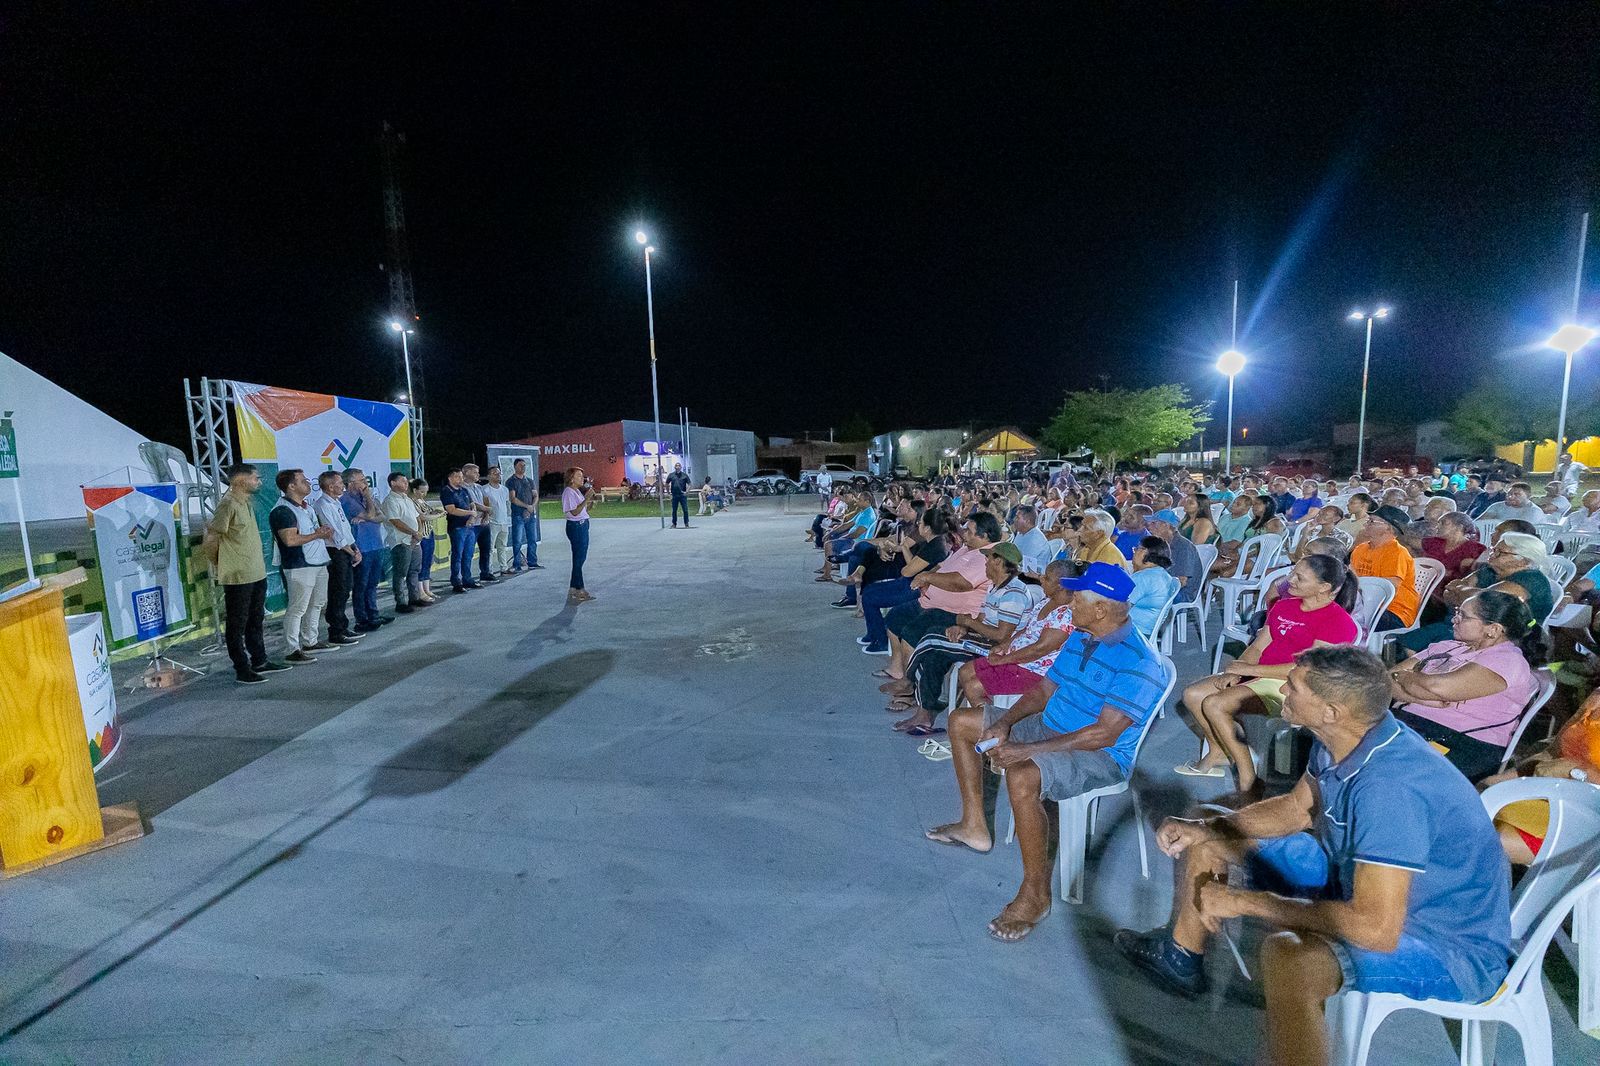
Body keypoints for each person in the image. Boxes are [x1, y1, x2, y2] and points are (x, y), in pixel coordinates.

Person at [1117, 647, 1511, 1066]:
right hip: (1352, 875)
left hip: (1446, 942)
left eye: (1294, 686)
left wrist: (1246, 902)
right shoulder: (1348, 737)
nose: (1283, 688)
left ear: (1331, 711)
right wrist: (1208, 829)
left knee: (1292, 958)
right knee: (1213, 831)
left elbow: (1376, 928)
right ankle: (1182, 956)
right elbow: (1296, 809)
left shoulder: (1389, 788)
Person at [925, 562, 1170, 943]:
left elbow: (1103, 734)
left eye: (1076, 598)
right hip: (1052, 728)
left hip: (1100, 755)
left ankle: (1035, 895)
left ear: (1101, 608)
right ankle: (974, 825)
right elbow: (1042, 691)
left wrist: (1027, 748)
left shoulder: (1140, 662)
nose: (1068, 603)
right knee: (962, 722)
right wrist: (1005, 723)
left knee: (1023, 773)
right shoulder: (1082, 636)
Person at [1176, 555, 1360, 791]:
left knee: (1214, 704)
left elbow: (1306, 669)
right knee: (1193, 694)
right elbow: (1258, 646)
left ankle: (1248, 778)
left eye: (1299, 578)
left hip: (1293, 685)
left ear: (1323, 588)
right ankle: (1219, 751)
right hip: (1259, 674)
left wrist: (1249, 670)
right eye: (1293, 572)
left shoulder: (1338, 622)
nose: (1289, 579)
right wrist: (1236, 670)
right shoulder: (1285, 606)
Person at [1390, 590, 1542, 782]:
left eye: (1463, 616)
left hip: (1462, 741)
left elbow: (1437, 686)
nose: (1454, 619)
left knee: (1384, 767)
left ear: (1493, 629)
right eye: (1456, 612)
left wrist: (1405, 679)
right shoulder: (1448, 647)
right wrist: (1425, 699)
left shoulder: (1508, 660)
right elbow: (1386, 681)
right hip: (1411, 724)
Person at [888, 542, 1029, 735]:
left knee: (930, 638)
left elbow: (1002, 635)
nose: (985, 562)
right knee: (934, 656)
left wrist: (967, 623)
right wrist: (962, 627)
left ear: (999, 562)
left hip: (996, 647)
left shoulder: (1014, 592)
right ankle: (924, 715)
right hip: (982, 637)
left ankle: (908, 679)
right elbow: (980, 618)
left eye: (988, 558)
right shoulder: (994, 588)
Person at [875, 514, 1000, 675]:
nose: (963, 533)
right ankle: (897, 669)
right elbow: (942, 566)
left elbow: (961, 583)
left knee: (910, 635)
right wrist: (928, 578)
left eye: (968, 531)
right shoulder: (967, 547)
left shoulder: (987, 556)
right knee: (894, 619)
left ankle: (909, 689)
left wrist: (927, 577)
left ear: (984, 536)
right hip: (929, 602)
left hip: (953, 612)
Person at [951, 558, 1076, 713]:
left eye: (1047, 578)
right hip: (1016, 659)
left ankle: (988, 726)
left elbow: (1040, 649)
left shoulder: (1066, 614)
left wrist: (1003, 660)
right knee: (965, 671)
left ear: (1061, 585)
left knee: (974, 686)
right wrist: (1004, 646)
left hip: (1035, 670)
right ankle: (986, 721)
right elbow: (1028, 629)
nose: (1041, 579)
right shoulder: (1047, 601)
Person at [201, 462, 287, 684]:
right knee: (237, 623)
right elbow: (211, 538)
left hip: (256, 572)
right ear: (240, 480)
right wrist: (220, 563)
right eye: (255, 478)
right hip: (238, 575)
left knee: (256, 619)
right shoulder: (227, 504)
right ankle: (242, 667)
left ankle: (260, 660)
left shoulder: (246, 502)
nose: (259, 481)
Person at [1401, 531, 1556, 653]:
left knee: (1413, 646)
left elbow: (1486, 604)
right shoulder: (1489, 570)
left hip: (1499, 639)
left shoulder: (1531, 580)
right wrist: (1470, 594)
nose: (1492, 553)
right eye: (1494, 549)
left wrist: (1463, 592)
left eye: (1500, 552)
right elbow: (1449, 591)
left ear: (1523, 560)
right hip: (1461, 626)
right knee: (1404, 643)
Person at [859, 509, 950, 653]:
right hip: (909, 582)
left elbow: (907, 571)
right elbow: (912, 566)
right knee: (869, 590)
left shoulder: (935, 547)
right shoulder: (931, 542)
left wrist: (905, 548)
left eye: (921, 523)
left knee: (871, 598)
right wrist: (904, 548)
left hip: (916, 589)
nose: (918, 524)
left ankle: (881, 642)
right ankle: (874, 634)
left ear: (926, 528)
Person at [269, 468, 335, 664]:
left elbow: (310, 531)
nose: (308, 483)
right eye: (303, 480)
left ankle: (310, 640)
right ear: (291, 486)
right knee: (298, 608)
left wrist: (321, 532)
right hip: (299, 564)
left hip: (318, 561)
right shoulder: (283, 510)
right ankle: (292, 649)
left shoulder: (306, 507)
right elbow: (289, 540)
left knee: (317, 603)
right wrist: (318, 534)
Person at [311, 470, 363, 646]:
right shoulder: (322, 505)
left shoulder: (336, 502)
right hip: (336, 552)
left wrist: (355, 548)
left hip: (347, 549)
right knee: (337, 591)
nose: (343, 485)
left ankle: (343, 626)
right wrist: (351, 551)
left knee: (345, 589)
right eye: (340, 483)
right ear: (331, 486)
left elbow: (345, 530)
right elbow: (335, 535)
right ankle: (335, 631)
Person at [1349, 505, 1418, 631]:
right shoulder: (1360, 549)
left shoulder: (1397, 553)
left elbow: (1389, 588)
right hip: (1363, 605)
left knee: (1343, 621)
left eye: (1371, 521)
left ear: (1389, 528)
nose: (1366, 524)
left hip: (1394, 611)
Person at [341, 469, 390, 631]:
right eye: (362, 480)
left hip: (376, 544)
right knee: (361, 585)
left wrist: (369, 516)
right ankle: (362, 619)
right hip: (362, 547)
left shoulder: (367, 497)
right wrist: (368, 500)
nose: (366, 483)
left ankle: (373, 615)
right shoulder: (347, 500)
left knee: (372, 583)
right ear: (350, 484)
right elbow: (370, 513)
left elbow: (382, 516)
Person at [380, 471, 422, 613]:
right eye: (403, 481)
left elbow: (417, 517)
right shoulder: (390, 501)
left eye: (406, 482)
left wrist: (418, 532)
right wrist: (413, 532)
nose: (406, 484)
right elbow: (395, 521)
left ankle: (414, 597)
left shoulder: (407, 499)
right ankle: (401, 602)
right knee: (400, 573)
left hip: (414, 540)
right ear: (393, 483)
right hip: (401, 541)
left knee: (414, 570)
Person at [1146, 509, 1203, 603]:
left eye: (1154, 523)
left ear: (1166, 525)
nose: (1149, 527)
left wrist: (1154, 588)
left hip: (1181, 593)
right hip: (1165, 587)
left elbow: (1182, 582)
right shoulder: (1162, 543)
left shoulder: (1184, 547)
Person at [438, 467, 480, 593]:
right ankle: (456, 581)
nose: (461, 479)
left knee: (468, 554)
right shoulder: (447, 491)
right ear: (450, 478)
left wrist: (472, 516)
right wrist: (470, 513)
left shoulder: (464, 490)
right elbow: (451, 509)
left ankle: (467, 579)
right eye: (458, 477)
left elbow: (472, 504)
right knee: (458, 555)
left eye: (461, 476)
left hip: (469, 526)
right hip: (457, 527)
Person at [1128, 536, 1179, 638]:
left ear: (1145, 552)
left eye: (1137, 549)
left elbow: (1119, 608)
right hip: (1147, 631)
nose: (1134, 553)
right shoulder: (1163, 575)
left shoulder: (1143, 578)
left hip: (1133, 633)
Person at [562, 466, 596, 604]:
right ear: (571, 478)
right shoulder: (569, 492)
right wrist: (586, 498)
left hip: (582, 525)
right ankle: (580, 589)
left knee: (580, 558)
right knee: (579, 559)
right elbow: (574, 512)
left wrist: (589, 502)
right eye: (579, 476)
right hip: (576, 527)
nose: (583, 478)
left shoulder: (576, 491)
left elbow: (582, 509)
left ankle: (573, 588)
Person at [462, 464, 498, 585]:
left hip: (483, 522)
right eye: (475, 472)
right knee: (468, 552)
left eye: (478, 472)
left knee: (486, 549)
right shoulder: (462, 488)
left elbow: (485, 500)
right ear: (466, 473)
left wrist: (486, 515)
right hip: (471, 524)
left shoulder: (478, 487)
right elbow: (473, 504)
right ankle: (466, 578)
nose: (478, 474)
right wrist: (487, 509)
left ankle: (485, 572)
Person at [505, 458, 541, 572]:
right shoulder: (511, 481)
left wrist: (531, 507)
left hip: (530, 514)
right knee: (517, 540)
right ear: (515, 467)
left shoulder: (529, 481)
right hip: (518, 514)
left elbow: (535, 496)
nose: (523, 467)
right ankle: (517, 564)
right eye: (521, 465)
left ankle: (532, 562)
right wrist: (526, 506)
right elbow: (513, 498)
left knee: (532, 539)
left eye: (524, 465)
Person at [409, 477, 440, 604]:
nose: (424, 494)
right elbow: (422, 517)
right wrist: (437, 515)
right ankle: (420, 591)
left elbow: (429, 513)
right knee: (420, 564)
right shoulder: (412, 502)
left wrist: (435, 512)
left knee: (428, 562)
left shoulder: (422, 501)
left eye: (426, 491)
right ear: (415, 490)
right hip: (421, 536)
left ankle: (427, 589)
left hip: (429, 533)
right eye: (421, 491)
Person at [481, 465, 513, 575]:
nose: (498, 475)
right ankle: (488, 570)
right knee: (489, 548)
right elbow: (484, 505)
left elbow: (507, 504)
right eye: (495, 473)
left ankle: (504, 567)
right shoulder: (485, 489)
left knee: (502, 546)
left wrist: (508, 518)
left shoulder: (504, 489)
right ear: (489, 476)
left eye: (499, 473)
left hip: (504, 522)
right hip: (492, 522)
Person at [1007, 504, 1053, 576]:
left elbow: (1021, 564)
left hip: (1032, 577)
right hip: (1021, 572)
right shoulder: (1021, 533)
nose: (1014, 520)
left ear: (1027, 521)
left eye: (1017, 517)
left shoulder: (1035, 539)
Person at [1477, 481, 1544, 525]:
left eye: (1517, 494)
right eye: (1509, 494)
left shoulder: (1534, 511)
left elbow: (1523, 531)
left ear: (1528, 496)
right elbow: (1478, 523)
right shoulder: (1497, 506)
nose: (1510, 497)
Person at [667, 462, 692, 528]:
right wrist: (668, 493)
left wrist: (687, 492)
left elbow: (689, 484)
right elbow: (666, 484)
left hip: (682, 495)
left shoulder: (684, 475)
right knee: (674, 510)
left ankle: (686, 523)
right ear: (674, 467)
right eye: (676, 466)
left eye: (679, 466)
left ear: (681, 467)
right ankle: (674, 524)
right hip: (674, 495)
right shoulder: (671, 475)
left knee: (685, 510)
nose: (677, 467)